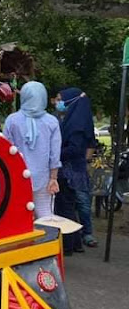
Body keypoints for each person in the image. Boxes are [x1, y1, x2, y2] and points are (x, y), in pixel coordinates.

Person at [3, 81, 61, 218]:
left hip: (17, 178)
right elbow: (55, 154)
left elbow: (6, 150)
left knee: (19, 218)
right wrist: (54, 178)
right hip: (44, 179)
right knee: (45, 217)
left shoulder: (12, 120)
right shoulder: (52, 121)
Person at [54, 88, 97, 253]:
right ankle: (76, 243)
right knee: (69, 206)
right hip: (71, 170)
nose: (58, 102)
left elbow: (74, 149)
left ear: (71, 101)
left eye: (60, 99)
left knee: (66, 207)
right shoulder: (74, 120)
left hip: (69, 171)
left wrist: (53, 154)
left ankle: (68, 245)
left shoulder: (76, 125)